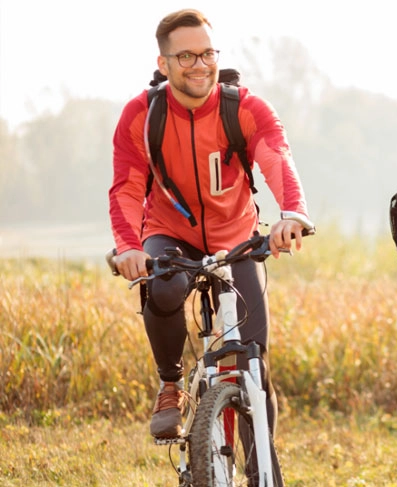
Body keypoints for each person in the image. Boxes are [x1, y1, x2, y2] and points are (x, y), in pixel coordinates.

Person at [107, 7, 313, 454]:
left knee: (253, 361)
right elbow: (125, 187)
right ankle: (170, 383)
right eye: (185, 57)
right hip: (169, 232)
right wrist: (127, 246)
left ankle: (261, 467)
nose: (199, 65)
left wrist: (292, 212)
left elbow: (277, 156)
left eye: (207, 54)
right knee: (163, 287)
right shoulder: (142, 115)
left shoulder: (245, 108)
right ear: (164, 64)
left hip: (235, 236)